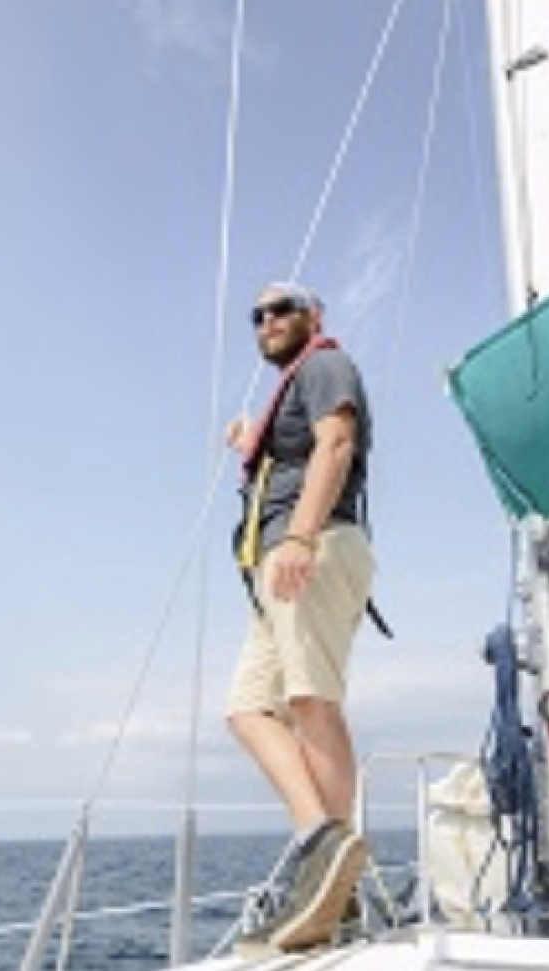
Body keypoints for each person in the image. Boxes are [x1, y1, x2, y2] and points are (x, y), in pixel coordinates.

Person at [224, 281, 376, 954]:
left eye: (281, 307)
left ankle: (331, 875)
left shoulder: (324, 363)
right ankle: (323, 844)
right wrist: (246, 445)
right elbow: (286, 458)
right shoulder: (290, 384)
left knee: (310, 700)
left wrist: (301, 536)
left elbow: (335, 444)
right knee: (247, 708)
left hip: (311, 547)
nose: (267, 320)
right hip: (280, 565)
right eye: (257, 314)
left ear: (314, 315)